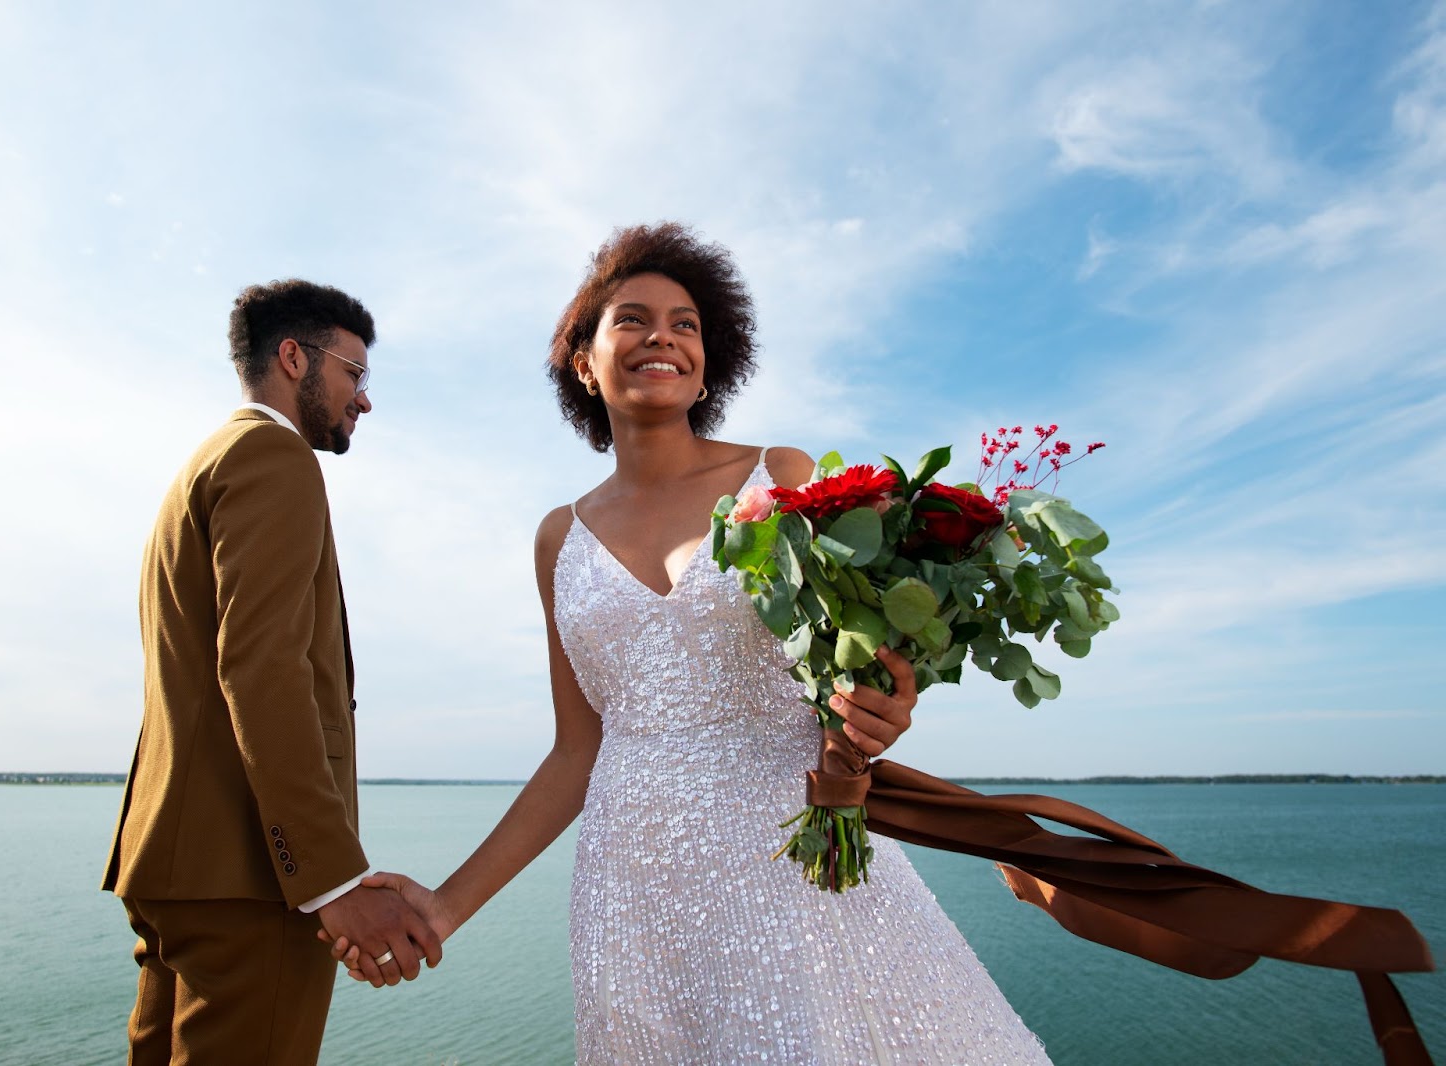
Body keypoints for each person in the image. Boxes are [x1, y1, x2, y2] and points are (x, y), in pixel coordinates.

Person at [331, 225, 1051, 1063]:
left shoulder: (781, 475)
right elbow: (577, 751)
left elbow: (858, 656)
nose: (663, 337)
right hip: (631, 888)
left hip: (794, 853)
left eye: (686, 324)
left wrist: (883, 705)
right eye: (632, 319)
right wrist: (444, 907)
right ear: (585, 362)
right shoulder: (557, 538)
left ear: (709, 362)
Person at [102, 279, 442, 1065]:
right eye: (354, 373)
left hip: (174, 863)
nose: (364, 400)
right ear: (294, 358)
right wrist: (329, 881)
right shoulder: (274, 457)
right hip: (249, 877)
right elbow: (262, 670)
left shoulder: (202, 464)